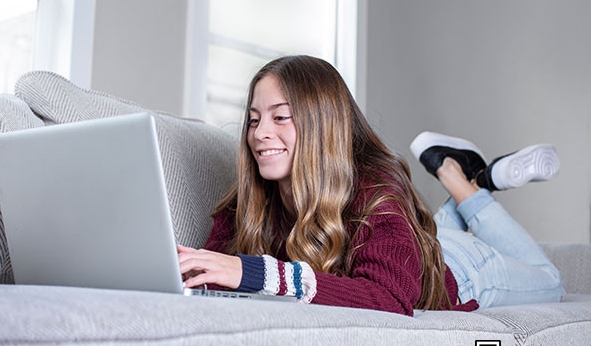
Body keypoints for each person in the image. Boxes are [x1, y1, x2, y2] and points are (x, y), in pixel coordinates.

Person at [177, 55, 563, 316]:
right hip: (412, 245)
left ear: (323, 125)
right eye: (254, 119)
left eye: (281, 117)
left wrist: (257, 273)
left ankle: (462, 182)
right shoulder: (249, 198)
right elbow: (212, 275)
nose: (260, 133)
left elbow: (391, 298)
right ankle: (471, 176)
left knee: (551, 281)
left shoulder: (375, 187)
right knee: (422, 232)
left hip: (462, 269)